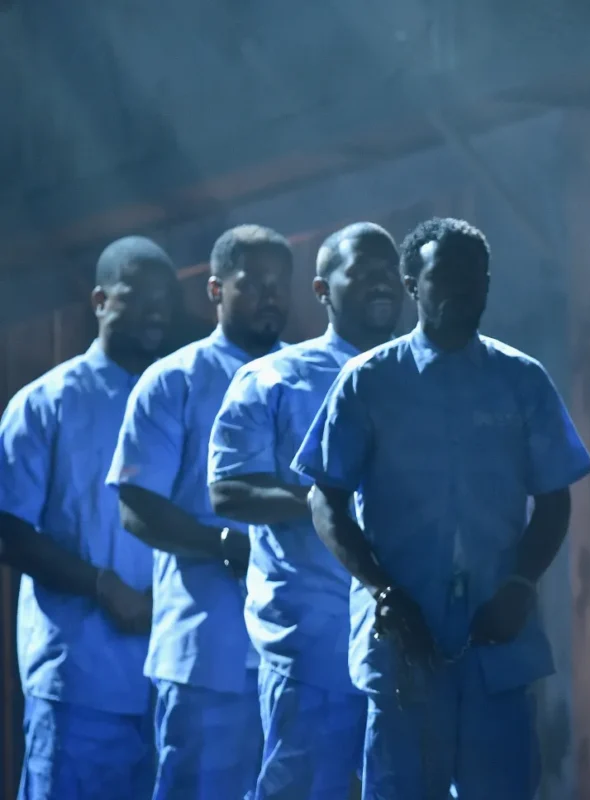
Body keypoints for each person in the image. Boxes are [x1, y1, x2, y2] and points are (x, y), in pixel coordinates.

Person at [292, 217, 590, 799]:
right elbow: (324, 497)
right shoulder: (368, 382)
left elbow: (555, 498)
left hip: (497, 641)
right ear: (412, 283)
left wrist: (521, 584)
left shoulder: (521, 380)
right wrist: (384, 591)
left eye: (474, 279)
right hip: (407, 644)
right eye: (444, 278)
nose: (462, 292)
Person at [207, 223, 403, 799]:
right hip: (310, 635)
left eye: (389, 271)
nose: (380, 283)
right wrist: (323, 505)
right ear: (322, 291)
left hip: (403, 636)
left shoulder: (421, 376)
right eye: (361, 271)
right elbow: (228, 491)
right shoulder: (273, 377)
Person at [107, 224, 294, 800]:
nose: (270, 295)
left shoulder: (314, 376)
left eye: (279, 283)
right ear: (215, 290)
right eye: (252, 283)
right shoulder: (174, 381)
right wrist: (223, 545)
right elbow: (137, 507)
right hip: (206, 653)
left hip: (296, 651)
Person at [0, 236, 178, 799]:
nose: (155, 309)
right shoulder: (45, 403)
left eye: (164, 298)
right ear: (100, 300)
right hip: (80, 679)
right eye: (137, 295)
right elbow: (7, 529)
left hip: (172, 679)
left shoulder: (178, 400)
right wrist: (102, 586)